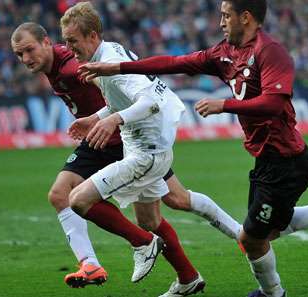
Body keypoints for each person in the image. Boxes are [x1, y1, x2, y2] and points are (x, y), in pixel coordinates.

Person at [78, 1, 308, 296]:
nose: (221, 22)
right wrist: (116, 67)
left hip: (287, 162)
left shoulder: (271, 52)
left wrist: (225, 105)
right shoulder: (225, 53)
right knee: (268, 231)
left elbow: (274, 103)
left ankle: (273, 293)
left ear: (246, 17)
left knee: (250, 239)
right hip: (267, 160)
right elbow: (175, 62)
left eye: (226, 15)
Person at [11, 19, 221, 295]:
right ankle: (93, 264)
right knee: (61, 195)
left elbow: (125, 89)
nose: (26, 59)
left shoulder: (73, 66)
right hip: (99, 139)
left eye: (29, 50)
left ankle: (159, 248)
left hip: (119, 141)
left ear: (47, 42)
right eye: (19, 55)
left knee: (166, 206)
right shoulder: (56, 67)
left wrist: (112, 118)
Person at [60, 3, 208, 296]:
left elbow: (150, 100)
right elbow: (123, 101)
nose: (69, 47)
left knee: (76, 200)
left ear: (91, 36)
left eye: (72, 40)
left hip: (147, 153)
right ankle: (188, 278)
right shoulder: (104, 56)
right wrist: (97, 117)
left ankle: (142, 243)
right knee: (150, 220)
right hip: (147, 147)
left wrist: (114, 119)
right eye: (65, 41)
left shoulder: (111, 62)